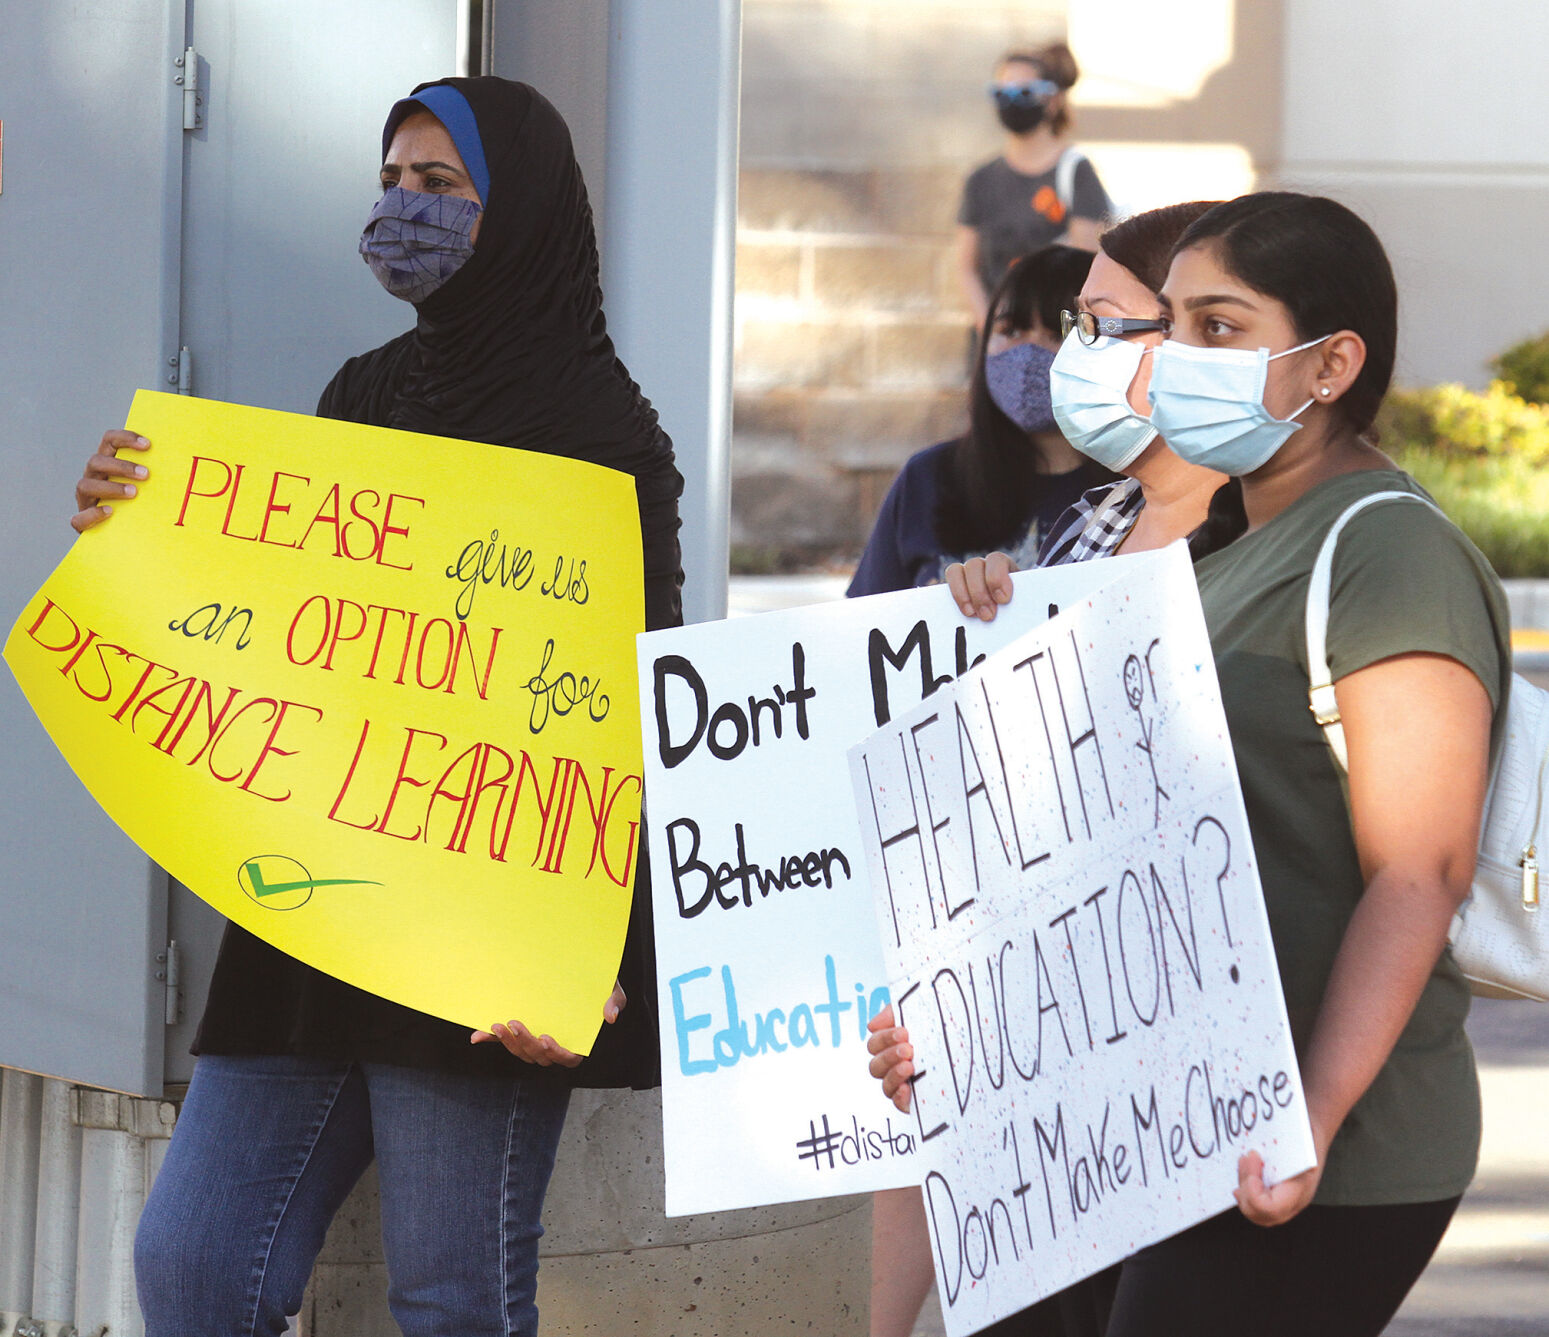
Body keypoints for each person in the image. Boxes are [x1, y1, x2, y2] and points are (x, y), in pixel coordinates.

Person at [71, 77, 684, 1337]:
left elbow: (633, 697)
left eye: (441, 187)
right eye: (393, 183)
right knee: (192, 1263)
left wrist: (584, 955)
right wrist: (129, 538)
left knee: (452, 1299)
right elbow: (289, 632)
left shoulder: (604, 437)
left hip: (490, 933)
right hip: (316, 899)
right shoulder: (363, 393)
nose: (403, 209)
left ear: (516, 213)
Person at [879, 191, 1512, 1337]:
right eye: (1170, 323)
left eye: (1219, 328)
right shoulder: (1228, 545)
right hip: (1152, 1128)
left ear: (1330, 365)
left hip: (1314, 1147)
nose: (1173, 356)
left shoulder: (1387, 550)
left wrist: (1305, 1115)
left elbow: (1418, 869)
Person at [868, 199, 1230, 1337]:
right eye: (1039, 327)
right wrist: (983, 625)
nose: (1057, 355)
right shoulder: (1095, 520)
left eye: (1090, 323)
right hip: (1036, 1069)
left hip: (1183, 1081)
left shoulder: (1281, 534)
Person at [848, 243, 1109, 599]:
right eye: (1011, 330)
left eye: (1057, 334)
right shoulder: (928, 478)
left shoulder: (1134, 496)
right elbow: (863, 630)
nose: (1028, 353)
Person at [957, 45, 1112, 326]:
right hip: (995, 340)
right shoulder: (980, 179)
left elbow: (1085, 268)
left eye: (1025, 92)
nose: (1012, 102)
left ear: (1051, 101)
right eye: (1002, 93)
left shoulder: (1077, 173)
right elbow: (967, 268)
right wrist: (993, 333)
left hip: (1053, 342)